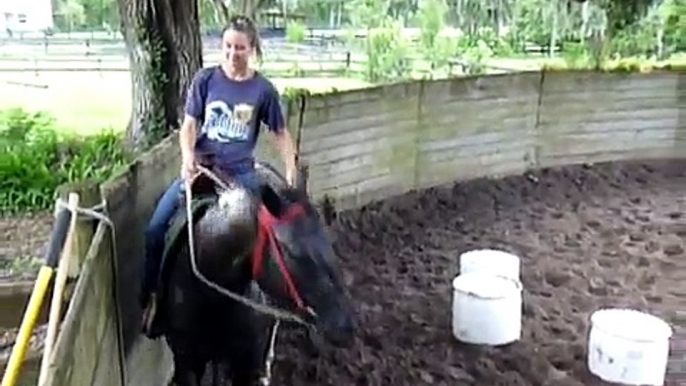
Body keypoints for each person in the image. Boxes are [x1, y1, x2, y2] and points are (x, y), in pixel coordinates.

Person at [139, 15, 298, 313]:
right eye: (227, 46)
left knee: (274, 236)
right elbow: (189, 125)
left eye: (239, 47)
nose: (231, 53)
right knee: (155, 229)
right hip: (202, 170)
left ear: (252, 49)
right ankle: (152, 297)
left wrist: (290, 169)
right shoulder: (205, 80)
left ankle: (277, 309)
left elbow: (281, 133)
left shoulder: (263, 90)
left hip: (241, 175)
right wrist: (187, 156)